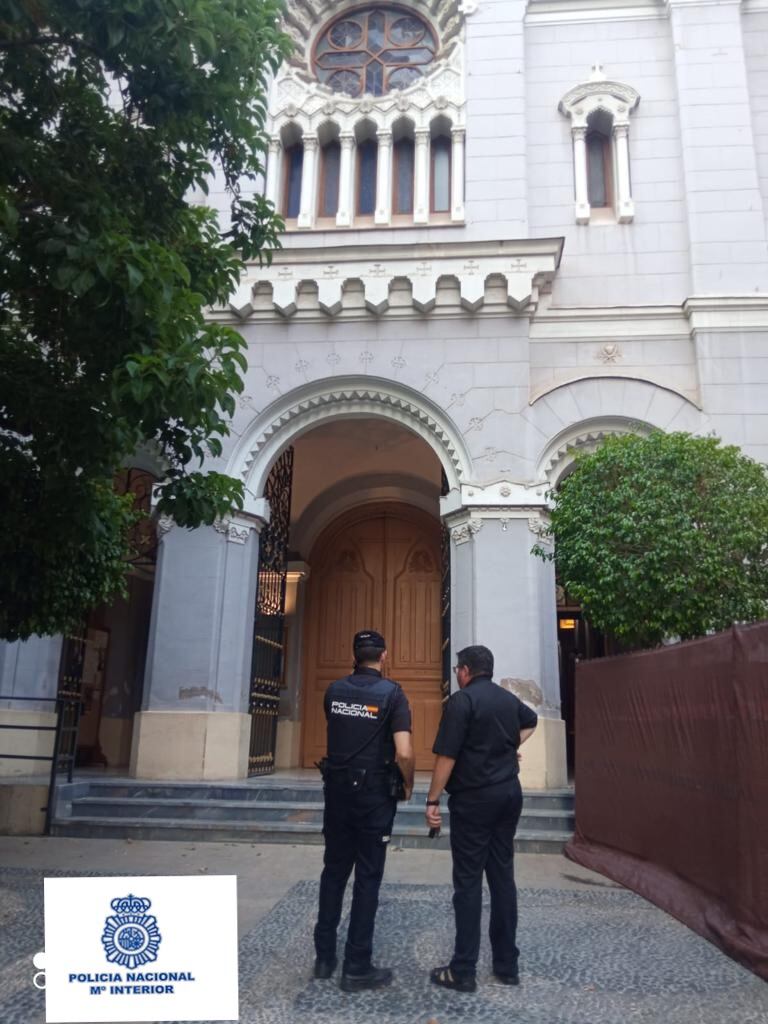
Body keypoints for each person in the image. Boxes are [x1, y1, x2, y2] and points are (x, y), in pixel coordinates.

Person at [425, 644, 538, 993]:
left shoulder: (462, 701)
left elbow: (446, 756)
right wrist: (509, 748)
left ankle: (463, 970)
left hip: (475, 799)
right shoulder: (506, 699)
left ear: (466, 670)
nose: (457, 674)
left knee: (469, 883)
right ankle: (507, 965)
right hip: (508, 794)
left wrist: (432, 800)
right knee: (502, 877)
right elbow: (531, 721)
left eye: (458, 668)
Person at [313, 629, 415, 992]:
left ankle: (324, 958)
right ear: (383, 656)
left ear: (354, 655)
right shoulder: (393, 694)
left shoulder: (334, 691)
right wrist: (408, 783)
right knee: (368, 878)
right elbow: (403, 751)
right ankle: (357, 965)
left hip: (337, 794)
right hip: (373, 797)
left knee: (334, 872)